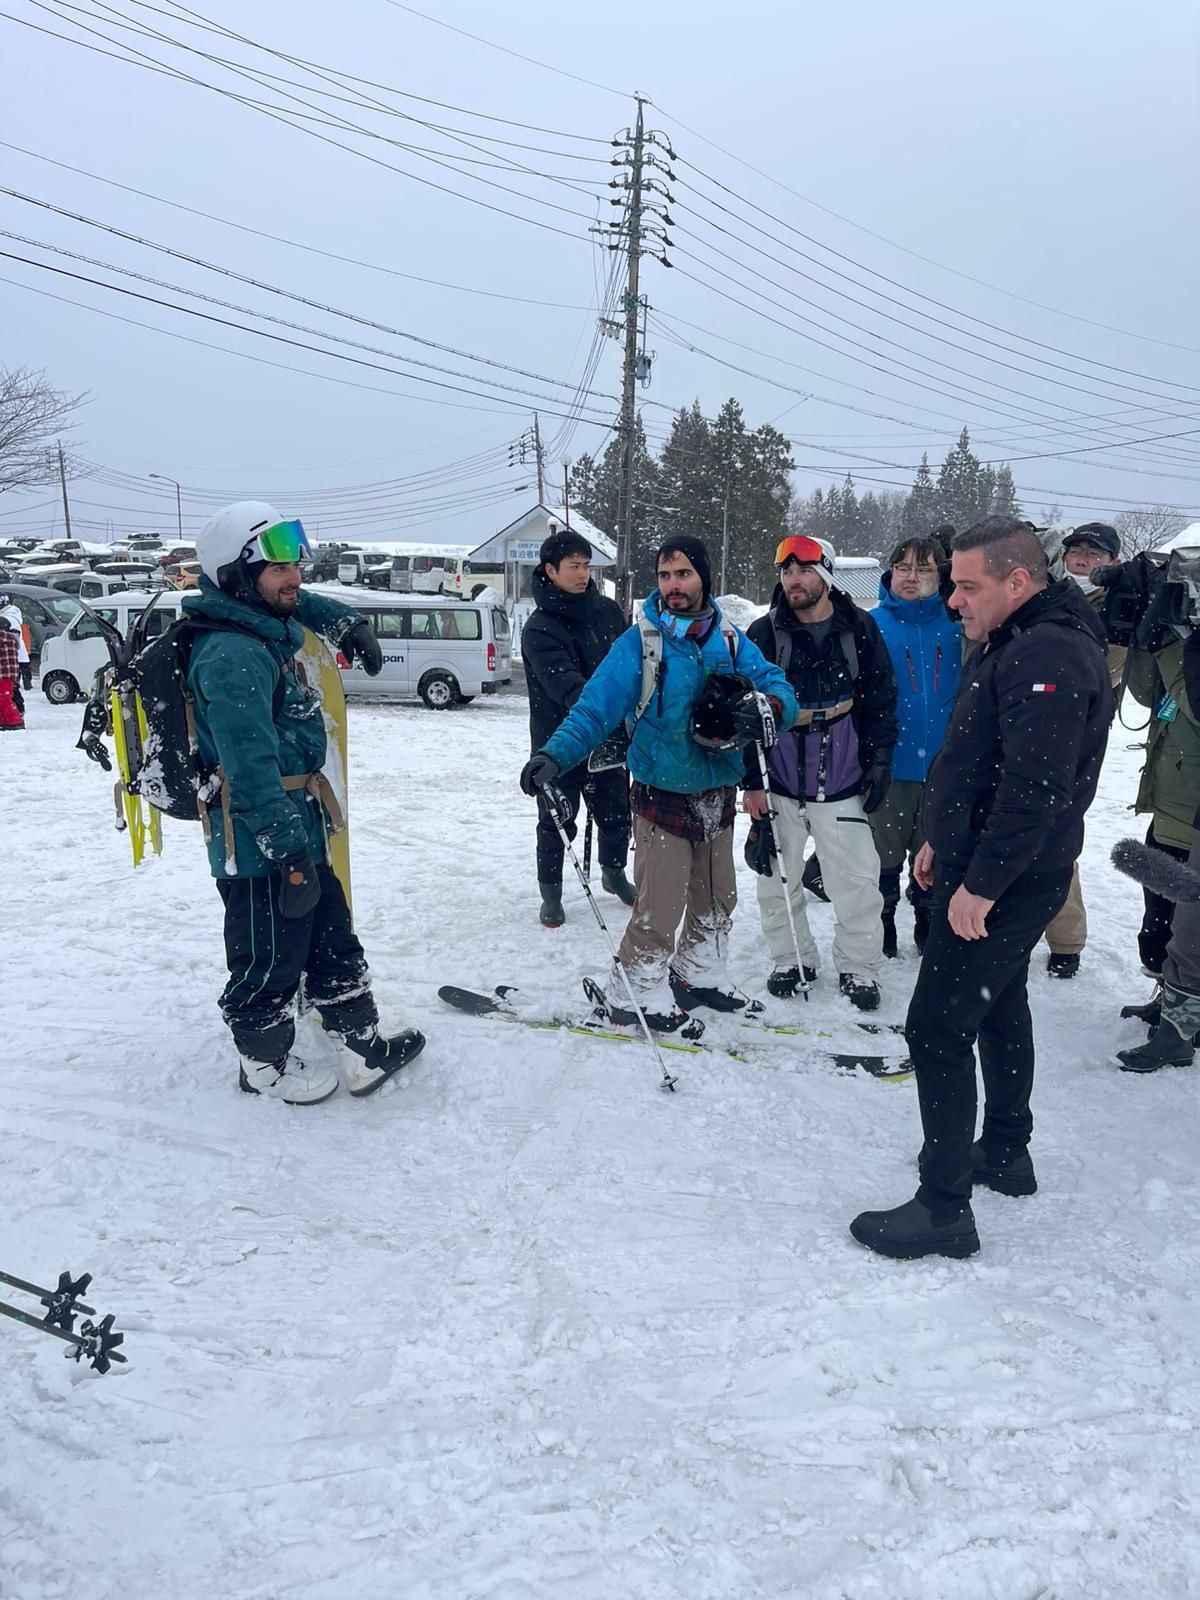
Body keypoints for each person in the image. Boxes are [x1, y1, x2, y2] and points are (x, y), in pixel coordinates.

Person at [851, 517, 1111, 1260]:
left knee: (936, 1027)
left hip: (1011, 876)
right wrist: (942, 836)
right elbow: (986, 759)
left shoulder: (1049, 650)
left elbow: (1034, 788)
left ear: (1018, 581)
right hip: (991, 863)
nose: (954, 599)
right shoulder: (1020, 635)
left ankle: (943, 1208)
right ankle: (1003, 1151)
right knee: (1000, 1003)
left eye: (967, 585)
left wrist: (982, 884)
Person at [187, 501, 425, 1105]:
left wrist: (344, 623)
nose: (295, 575)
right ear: (239, 576)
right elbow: (248, 768)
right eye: (278, 565)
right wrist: (285, 847)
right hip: (263, 831)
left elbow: (293, 604)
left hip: (298, 823)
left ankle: (361, 1044)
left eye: (296, 558)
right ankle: (262, 1063)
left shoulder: (259, 623)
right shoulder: (231, 654)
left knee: (328, 937)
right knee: (269, 955)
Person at [520, 536, 798, 1029]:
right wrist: (553, 756)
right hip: (660, 794)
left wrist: (770, 707)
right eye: (665, 576)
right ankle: (634, 991)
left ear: (703, 578)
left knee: (717, 899)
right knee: (659, 908)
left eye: (683, 574)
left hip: (717, 791)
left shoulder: (730, 640)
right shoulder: (641, 643)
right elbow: (593, 708)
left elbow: (777, 684)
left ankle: (699, 973)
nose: (673, 585)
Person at [742, 536, 898, 1012]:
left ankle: (858, 966)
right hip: (780, 777)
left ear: (826, 574)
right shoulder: (763, 633)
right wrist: (750, 781)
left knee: (855, 880)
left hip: (843, 774)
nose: (794, 580)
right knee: (776, 877)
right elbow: (742, 708)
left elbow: (881, 701)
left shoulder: (860, 629)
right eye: (787, 571)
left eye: (805, 570)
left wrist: (879, 761)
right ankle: (791, 959)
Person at [519, 529, 635, 927]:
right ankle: (551, 894)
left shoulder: (607, 611)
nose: (583, 573)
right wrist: (603, 707)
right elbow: (566, 686)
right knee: (556, 821)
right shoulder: (539, 627)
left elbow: (629, 664)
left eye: (587, 565)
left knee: (617, 813)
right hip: (561, 742)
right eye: (574, 566)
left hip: (610, 737)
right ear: (550, 571)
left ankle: (615, 872)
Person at [1040, 522, 1127, 978]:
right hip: (1029, 721)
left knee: (1058, 830)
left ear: (1112, 561)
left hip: (1077, 735)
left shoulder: (1120, 605)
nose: (1083, 559)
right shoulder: (1045, 590)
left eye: (1095, 553)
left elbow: (1106, 664)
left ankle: (1066, 939)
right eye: (1077, 550)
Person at [869, 534, 961, 959]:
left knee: (936, 856)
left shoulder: (959, 624)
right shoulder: (872, 624)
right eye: (904, 567)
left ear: (940, 575)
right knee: (882, 856)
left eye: (924, 569)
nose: (912, 577)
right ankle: (883, 919)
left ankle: (928, 919)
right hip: (889, 766)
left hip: (947, 769)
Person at [0, 605, 23, 730]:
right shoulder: (11, 638)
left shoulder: (5, 637)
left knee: (4, 698)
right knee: (3, 698)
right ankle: (4, 720)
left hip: (5, 673)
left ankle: (15, 721)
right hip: (8, 673)